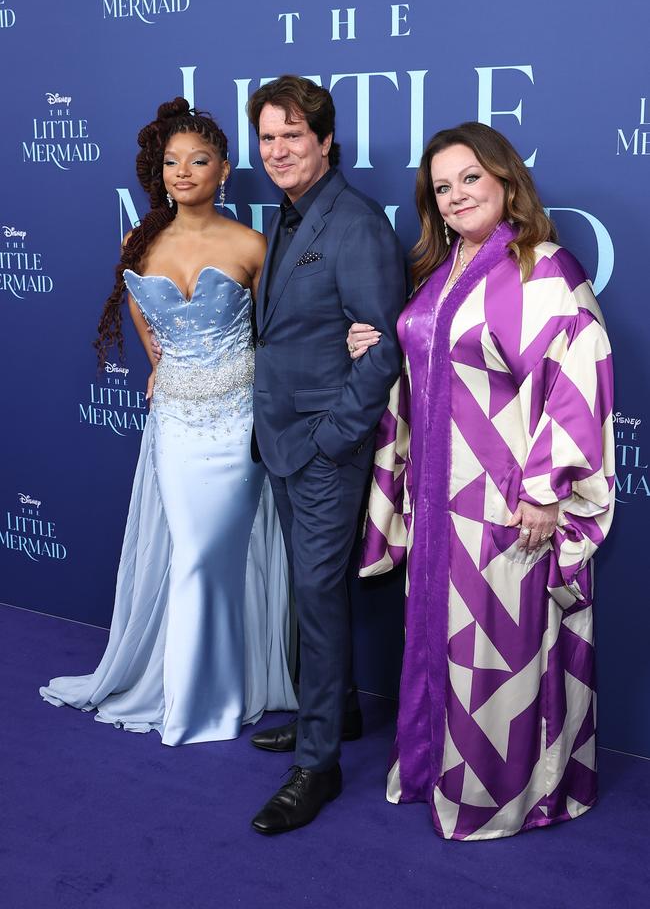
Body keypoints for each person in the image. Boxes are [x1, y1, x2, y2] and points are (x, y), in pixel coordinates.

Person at [350, 122, 615, 840]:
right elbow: (429, 361)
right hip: (439, 502)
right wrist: (382, 340)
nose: (456, 194)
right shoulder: (443, 273)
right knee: (441, 642)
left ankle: (505, 793)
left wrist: (544, 490)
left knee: (499, 645)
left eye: (470, 177)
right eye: (442, 186)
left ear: (504, 179)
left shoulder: (544, 268)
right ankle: (437, 764)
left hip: (504, 502)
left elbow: (579, 375)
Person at [40, 98, 297, 745]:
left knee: (214, 554)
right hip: (177, 422)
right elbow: (140, 309)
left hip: (238, 420)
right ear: (158, 171)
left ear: (224, 170)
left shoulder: (251, 244)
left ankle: (206, 697)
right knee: (192, 552)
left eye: (198, 160)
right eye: (171, 161)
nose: (183, 171)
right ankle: (194, 692)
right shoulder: (139, 240)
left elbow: (279, 332)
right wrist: (162, 364)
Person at [246, 75, 406, 834]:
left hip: (321, 446)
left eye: (291, 137)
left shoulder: (357, 222)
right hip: (281, 438)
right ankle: (335, 712)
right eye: (267, 138)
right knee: (316, 591)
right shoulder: (289, 215)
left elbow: (382, 348)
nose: (277, 151)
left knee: (315, 592)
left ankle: (318, 765)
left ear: (325, 141)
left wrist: (333, 438)